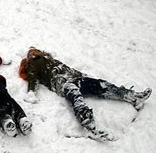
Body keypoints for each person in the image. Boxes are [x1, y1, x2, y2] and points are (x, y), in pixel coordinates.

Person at [19, 47, 152, 140]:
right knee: (75, 96)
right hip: (62, 83)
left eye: (34, 50)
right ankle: (87, 122)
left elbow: (68, 69)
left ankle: (131, 96)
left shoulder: (51, 59)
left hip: (76, 78)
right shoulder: (33, 63)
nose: (33, 52)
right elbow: (33, 78)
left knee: (101, 85)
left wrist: (82, 75)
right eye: (31, 52)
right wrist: (31, 92)